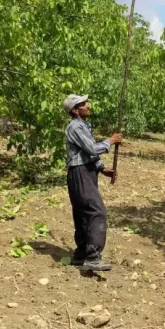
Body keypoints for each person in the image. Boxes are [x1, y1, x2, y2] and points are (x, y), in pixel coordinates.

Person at [63, 94, 123, 272]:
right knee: (97, 211)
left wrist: (100, 168)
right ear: (75, 110)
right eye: (83, 104)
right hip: (80, 172)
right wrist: (110, 141)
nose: (87, 106)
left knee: (82, 211)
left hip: (85, 171)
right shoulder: (75, 127)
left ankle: (81, 254)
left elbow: (87, 153)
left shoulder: (83, 126)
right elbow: (91, 148)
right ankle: (93, 256)